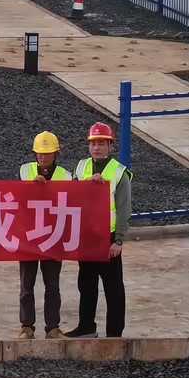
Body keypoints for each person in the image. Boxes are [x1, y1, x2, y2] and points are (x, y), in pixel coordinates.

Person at [66, 122, 131, 339]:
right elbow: (71, 196)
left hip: (108, 238)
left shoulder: (119, 173)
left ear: (110, 146)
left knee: (113, 288)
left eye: (101, 143)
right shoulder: (81, 167)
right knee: (86, 284)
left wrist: (118, 240)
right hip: (87, 237)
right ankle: (86, 327)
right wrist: (87, 183)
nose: (96, 148)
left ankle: (114, 333)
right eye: (93, 144)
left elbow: (124, 208)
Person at [17, 131, 70, 340]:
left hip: (53, 238)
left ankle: (52, 327)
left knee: (53, 286)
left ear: (56, 153)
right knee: (26, 286)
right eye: (40, 153)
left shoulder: (65, 176)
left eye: (47, 153)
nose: (43, 157)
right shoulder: (25, 171)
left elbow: (72, 203)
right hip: (29, 238)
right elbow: (15, 200)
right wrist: (30, 187)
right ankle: (27, 327)